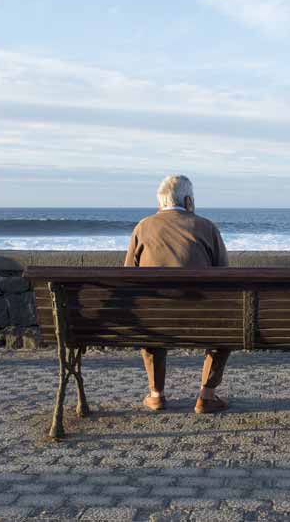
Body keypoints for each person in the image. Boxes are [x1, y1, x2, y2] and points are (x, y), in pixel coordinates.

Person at [125, 175, 231, 414]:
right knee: (227, 331)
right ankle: (206, 394)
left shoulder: (143, 227)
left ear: (161, 202)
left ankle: (156, 395)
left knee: (151, 314)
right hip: (202, 319)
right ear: (189, 201)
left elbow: (127, 275)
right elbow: (226, 275)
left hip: (155, 321)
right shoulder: (206, 227)